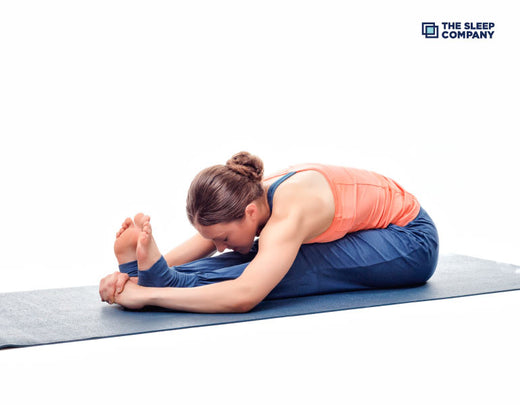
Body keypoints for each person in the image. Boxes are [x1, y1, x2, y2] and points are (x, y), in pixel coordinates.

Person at [99, 152, 439, 313]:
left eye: (224, 239)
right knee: (255, 254)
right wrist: (128, 279)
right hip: (378, 231)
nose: (218, 248)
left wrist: (148, 296)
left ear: (249, 214)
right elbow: (213, 238)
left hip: (410, 241)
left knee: (291, 264)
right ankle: (159, 276)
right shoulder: (248, 196)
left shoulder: (291, 212)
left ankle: (164, 284)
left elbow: (245, 295)